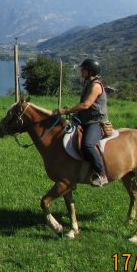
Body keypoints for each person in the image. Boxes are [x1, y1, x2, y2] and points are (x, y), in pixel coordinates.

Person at [54, 58, 109, 187]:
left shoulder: (96, 86)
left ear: (90, 71)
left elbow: (85, 105)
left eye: (83, 69)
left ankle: (101, 174)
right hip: (85, 120)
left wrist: (65, 110)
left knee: (87, 145)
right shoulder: (88, 84)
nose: (81, 71)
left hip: (95, 122)